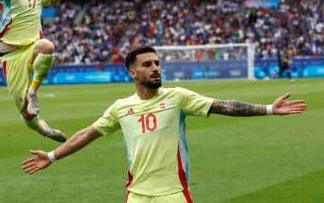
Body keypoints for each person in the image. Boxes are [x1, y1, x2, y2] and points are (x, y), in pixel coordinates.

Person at [22, 46, 307, 203]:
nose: (156, 67)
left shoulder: (177, 97)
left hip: (174, 193)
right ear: (133, 73)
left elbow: (223, 106)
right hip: (136, 193)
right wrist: (51, 155)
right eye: (147, 64)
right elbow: (87, 134)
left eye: (157, 63)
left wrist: (270, 108)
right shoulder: (121, 107)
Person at [0, 0, 77, 142]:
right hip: (11, 56)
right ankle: (42, 129)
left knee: (47, 46)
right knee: (27, 114)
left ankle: (33, 90)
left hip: (32, 49)